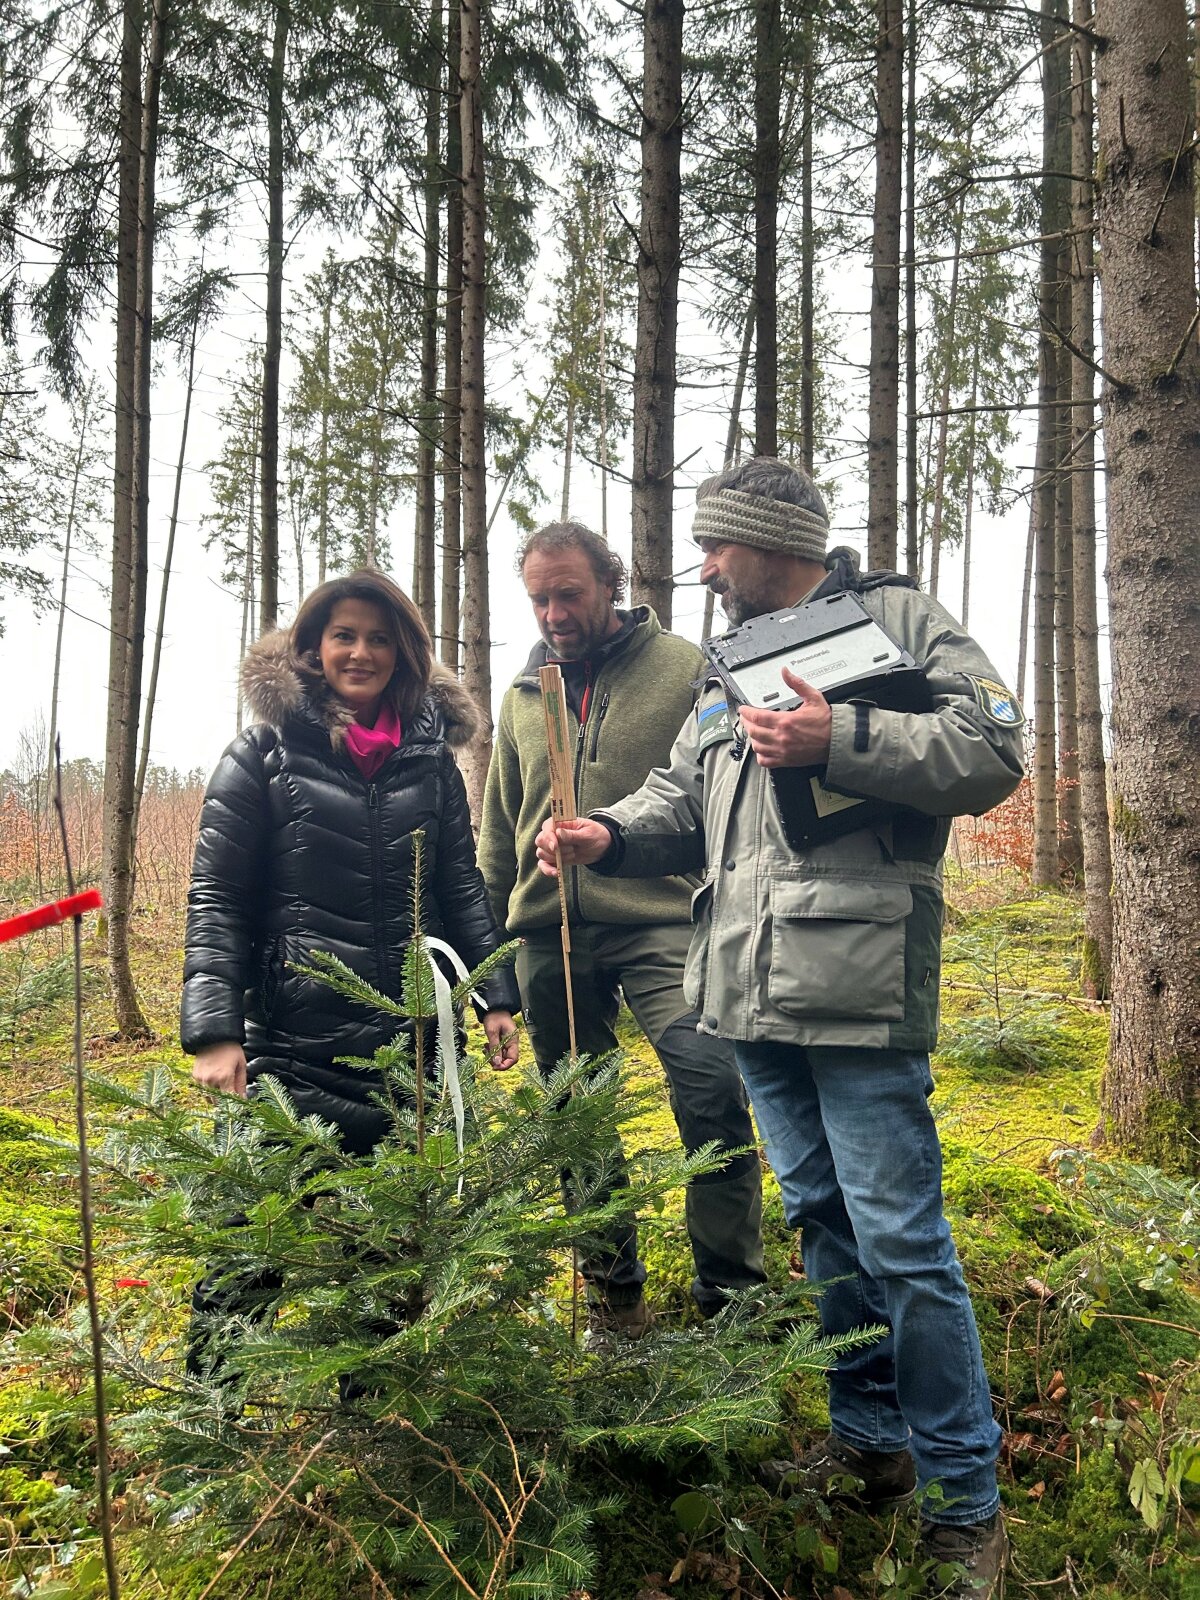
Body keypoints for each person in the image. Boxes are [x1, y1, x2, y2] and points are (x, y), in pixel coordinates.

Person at [534, 461, 1023, 1597]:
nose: (701, 568)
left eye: (718, 547)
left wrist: (840, 738)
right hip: (746, 992)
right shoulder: (728, 658)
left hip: (855, 989)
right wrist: (610, 830)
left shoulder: (899, 618)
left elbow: (996, 751)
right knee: (818, 1218)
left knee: (903, 1239)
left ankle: (966, 1501)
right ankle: (869, 1441)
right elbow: (685, 791)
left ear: (773, 540)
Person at [181, 569, 519, 1362]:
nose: (360, 652)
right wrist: (213, 1032)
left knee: (389, 1249)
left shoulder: (431, 761)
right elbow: (217, 897)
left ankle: (375, 1422)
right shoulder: (261, 754)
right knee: (252, 1240)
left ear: (404, 652)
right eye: (343, 636)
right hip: (292, 1044)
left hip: (414, 1042)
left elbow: (458, 884)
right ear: (312, 647)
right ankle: (213, 1412)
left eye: (378, 637)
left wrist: (492, 997)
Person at [478, 520, 766, 1341]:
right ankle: (614, 1299)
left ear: (611, 584)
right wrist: (488, 963)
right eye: (538, 597)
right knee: (578, 1113)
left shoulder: (686, 668)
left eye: (569, 592)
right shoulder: (524, 696)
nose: (554, 612)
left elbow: (724, 796)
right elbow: (499, 830)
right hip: (546, 933)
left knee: (710, 1094)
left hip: (664, 921)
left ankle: (732, 1303)